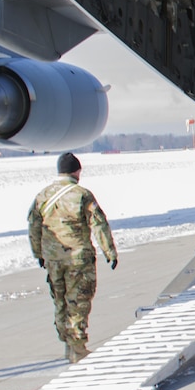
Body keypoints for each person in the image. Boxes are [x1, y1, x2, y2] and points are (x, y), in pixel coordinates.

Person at [28, 152, 117, 363]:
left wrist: (39, 254)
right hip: (78, 258)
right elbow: (98, 224)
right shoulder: (82, 194)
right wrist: (109, 251)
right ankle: (78, 347)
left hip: (53, 260)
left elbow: (34, 226)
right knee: (78, 301)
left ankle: (68, 345)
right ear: (77, 171)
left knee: (60, 301)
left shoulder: (43, 196)